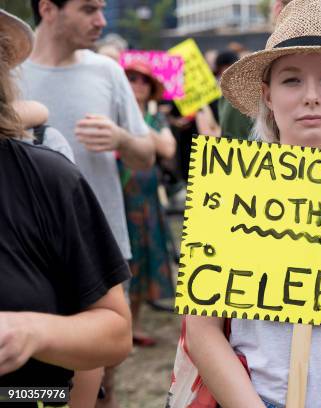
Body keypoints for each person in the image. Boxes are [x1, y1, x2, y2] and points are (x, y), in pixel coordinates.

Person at [167, 1, 321, 407]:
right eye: (292, 80)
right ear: (267, 94)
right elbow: (202, 330)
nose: (312, 97)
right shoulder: (229, 191)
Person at [17, 0, 155, 406]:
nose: (100, 20)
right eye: (88, 9)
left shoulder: (108, 71)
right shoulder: (12, 75)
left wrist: (123, 139)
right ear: (48, 9)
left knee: (101, 379)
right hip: (31, 255)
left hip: (104, 246)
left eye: (102, 9)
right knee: (35, 380)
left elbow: (146, 155)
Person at [119, 61, 177, 347]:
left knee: (143, 262)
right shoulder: (113, 116)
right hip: (120, 200)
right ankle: (119, 327)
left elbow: (167, 148)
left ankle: (134, 324)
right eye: (131, 79)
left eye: (144, 80)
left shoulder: (153, 120)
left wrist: (136, 121)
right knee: (121, 265)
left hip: (148, 200)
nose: (138, 85)